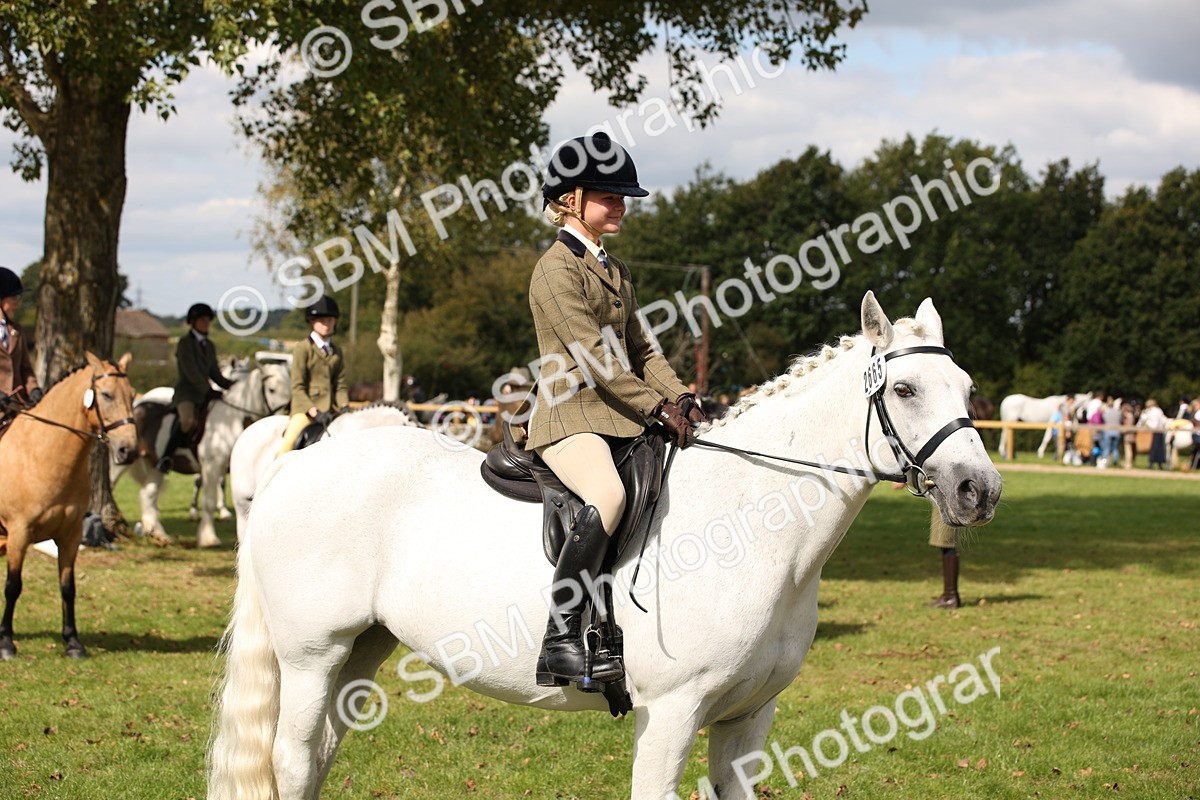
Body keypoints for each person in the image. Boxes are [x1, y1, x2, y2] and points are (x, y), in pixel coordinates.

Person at [528, 131, 703, 687]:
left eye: (623, 196)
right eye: (610, 196)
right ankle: (560, 638)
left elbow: (642, 350)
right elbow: (595, 357)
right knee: (608, 494)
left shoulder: (616, 269)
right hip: (568, 416)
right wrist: (656, 407)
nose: (622, 205)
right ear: (571, 200)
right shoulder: (555, 269)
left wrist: (680, 397)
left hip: (618, 414)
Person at [156, 303, 235, 473]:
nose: (206, 324)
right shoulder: (185, 343)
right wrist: (208, 389)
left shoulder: (210, 346)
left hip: (206, 392)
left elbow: (214, 372)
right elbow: (190, 372)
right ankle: (166, 457)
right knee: (188, 421)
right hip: (187, 393)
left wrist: (230, 385)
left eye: (208, 320)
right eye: (202, 320)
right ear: (193, 322)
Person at [276, 296, 349, 456]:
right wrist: (314, 411)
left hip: (331, 411)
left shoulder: (337, 351)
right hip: (306, 410)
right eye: (322, 320)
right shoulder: (303, 348)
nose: (326, 324)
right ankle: (277, 467)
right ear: (312, 321)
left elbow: (340, 385)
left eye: (330, 320)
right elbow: (297, 387)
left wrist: (344, 405)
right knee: (288, 443)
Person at [0, 267, 43, 417]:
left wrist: (34, 389)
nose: (17, 304)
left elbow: (26, 369)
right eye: (13, 298)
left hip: (18, 405)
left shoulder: (17, 330)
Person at [926, 507, 962, 608]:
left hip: (947, 504)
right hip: (944, 503)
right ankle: (950, 595)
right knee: (945, 544)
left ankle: (950, 596)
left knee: (947, 543)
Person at [1139, 398, 1168, 470]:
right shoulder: (1159, 410)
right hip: (1160, 431)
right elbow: (1163, 420)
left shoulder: (1150, 411)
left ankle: (1151, 464)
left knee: (1154, 448)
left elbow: (1145, 420)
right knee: (1160, 448)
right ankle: (1160, 464)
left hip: (1153, 431)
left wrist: (1146, 424)